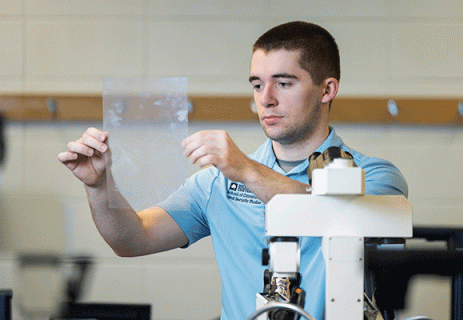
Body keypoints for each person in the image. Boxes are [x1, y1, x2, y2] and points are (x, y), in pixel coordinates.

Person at [58, 21, 408, 319]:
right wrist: (99, 185)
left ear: (327, 90)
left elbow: (340, 216)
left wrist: (246, 170)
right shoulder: (216, 182)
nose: (266, 98)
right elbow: (132, 239)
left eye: (284, 83)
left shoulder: (375, 177)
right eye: (257, 84)